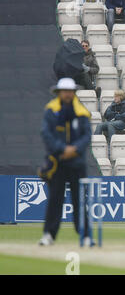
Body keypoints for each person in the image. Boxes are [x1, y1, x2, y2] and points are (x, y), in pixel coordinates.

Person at [38, 78, 92, 246]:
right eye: (65, 91)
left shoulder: (81, 111)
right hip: (58, 162)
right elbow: (46, 134)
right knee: (55, 200)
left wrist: (74, 149)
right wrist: (63, 149)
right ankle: (49, 235)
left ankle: (85, 236)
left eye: (70, 91)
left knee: (80, 201)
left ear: (74, 92)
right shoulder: (51, 110)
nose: (68, 94)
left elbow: (87, 136)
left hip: (77, 163)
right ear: (59, 92)